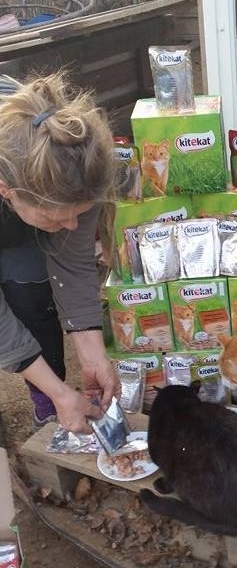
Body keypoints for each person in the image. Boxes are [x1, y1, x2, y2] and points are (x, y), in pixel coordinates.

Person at [0, 71, 121, 434]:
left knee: (31, 283)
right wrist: (59, 392)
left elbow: (73, 261)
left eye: (78, 214)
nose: (71, 225)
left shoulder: (74, 163)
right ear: (6, 191)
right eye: (56, 217)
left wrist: (92, 353)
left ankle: (45, 390)